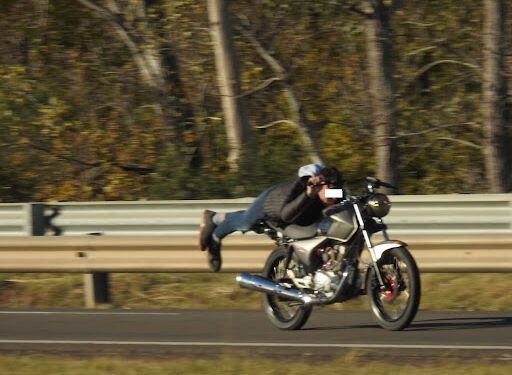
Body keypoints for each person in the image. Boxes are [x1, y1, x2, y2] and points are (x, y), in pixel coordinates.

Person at [198, 166, 344, 272]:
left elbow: (345, 200)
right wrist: (308, 196)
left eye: (337, 191)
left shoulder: (336, 193)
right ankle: (215, 230)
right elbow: (287, 215)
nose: (334, 197)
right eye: (330, 192)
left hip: (291, 216)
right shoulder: (307, 191)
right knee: (246, 223)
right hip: (271, 204)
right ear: (319, 186)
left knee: (254, 224)